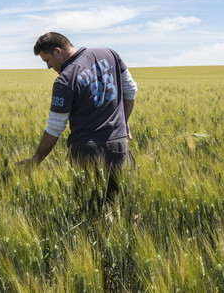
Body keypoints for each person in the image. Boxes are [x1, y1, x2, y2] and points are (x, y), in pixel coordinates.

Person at [17, 32, 137, 204]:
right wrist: (123, 123)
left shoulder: (64, 81)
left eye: (47, 60)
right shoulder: (109, 54)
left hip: (86, 152)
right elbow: (130, 89)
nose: (48, 67)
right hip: (119, 147)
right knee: (123, 207)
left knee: (90, 212)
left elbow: (55, 127)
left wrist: (37, 159)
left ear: (58, 51)